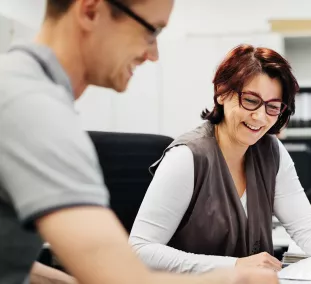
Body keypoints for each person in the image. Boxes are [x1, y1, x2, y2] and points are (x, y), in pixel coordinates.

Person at [0, 1, 278, 284]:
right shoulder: (31, 107)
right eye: (151, 31)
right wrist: (237, 278)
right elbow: (120, 278)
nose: (153, 54)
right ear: (90, 11)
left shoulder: (17, 88)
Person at [128, 44, 311, 273]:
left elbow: (309, 234)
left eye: (274, 107)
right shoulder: (187, 158)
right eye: (250, 101)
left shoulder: (271, 152)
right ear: (222, 92)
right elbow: (139, 250)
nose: (260, 118)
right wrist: (234, 268)